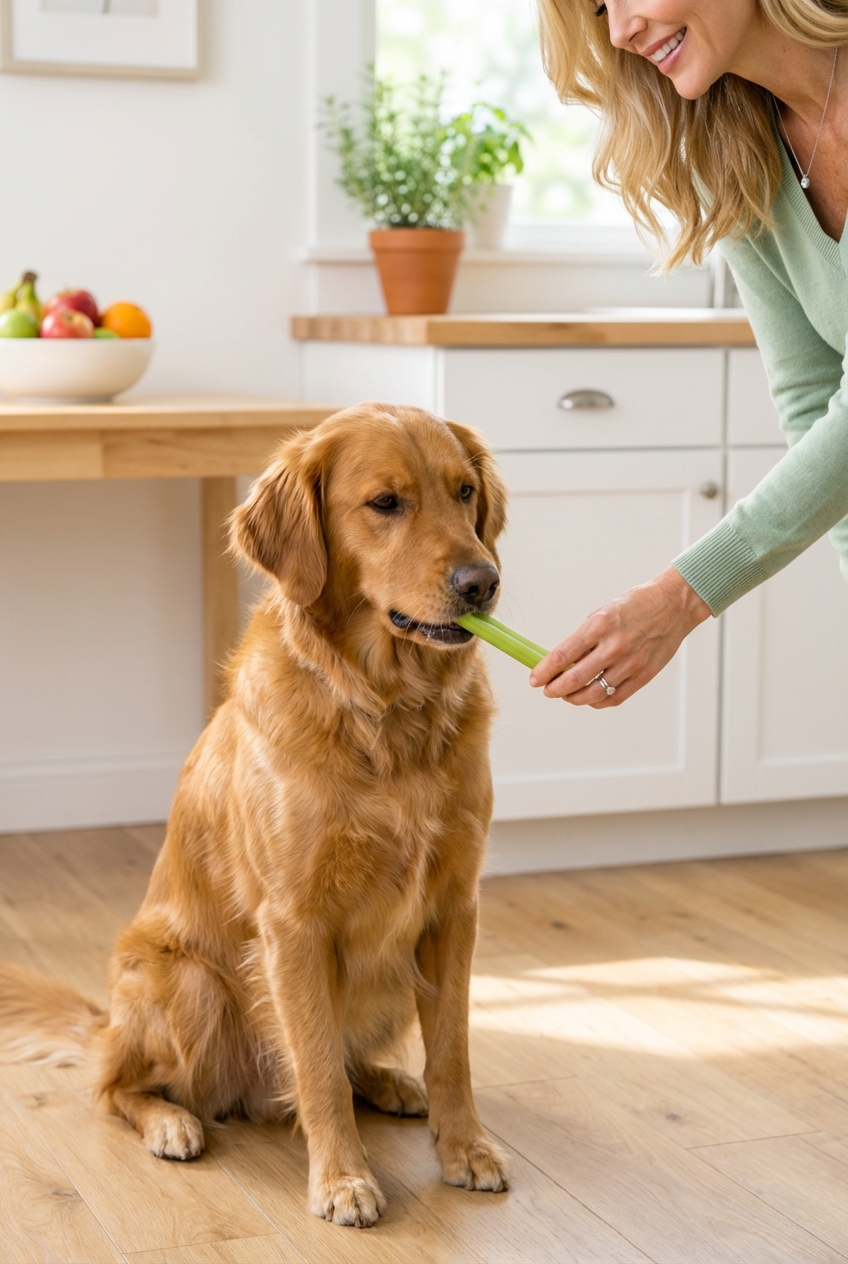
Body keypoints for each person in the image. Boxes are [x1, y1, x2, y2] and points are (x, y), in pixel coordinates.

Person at [528, 0, 847, 708]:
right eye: (601, 8)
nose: (618, 31)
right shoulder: (736, 155)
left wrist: (680, 597)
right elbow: (812, 393)